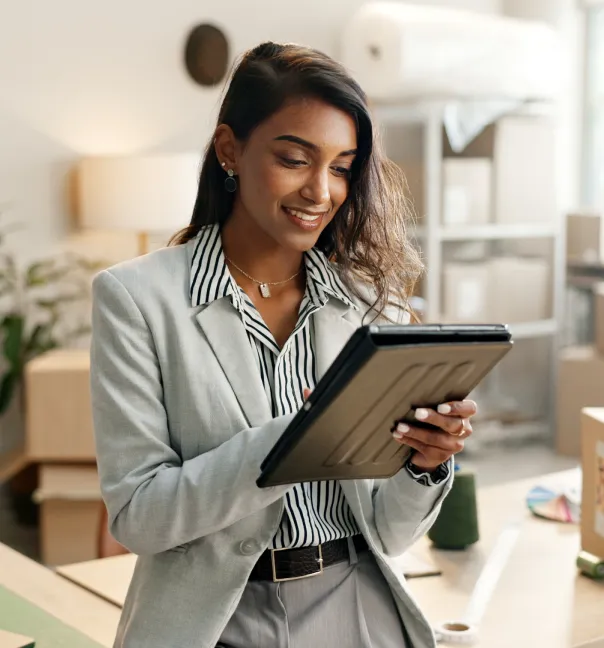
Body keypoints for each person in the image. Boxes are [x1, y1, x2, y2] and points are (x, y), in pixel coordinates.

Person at [90, 41, 477, 648]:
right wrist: (292, 438)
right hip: (213, 622)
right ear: (230, 151)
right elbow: (139, 515)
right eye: (296, 159)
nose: (321, 191)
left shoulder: (375, 303)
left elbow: (390, 534)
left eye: (343, 166)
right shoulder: (136, 299)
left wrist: (426, 465)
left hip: (356, 607)